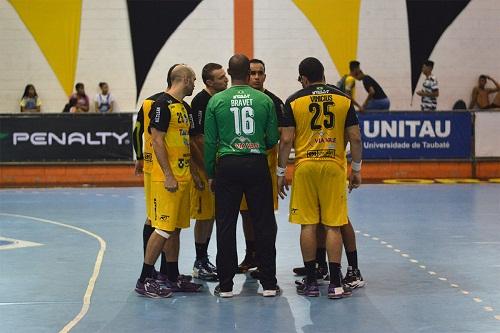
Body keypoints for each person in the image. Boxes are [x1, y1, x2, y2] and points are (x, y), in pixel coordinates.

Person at [278, 57, 362, 299]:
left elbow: (285, 141)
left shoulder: (294, 100)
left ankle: (312, 281)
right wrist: (356, 169)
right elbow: (355, 138)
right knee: (334, 224)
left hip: (305, 166)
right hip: (334, 165)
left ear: (304, 78)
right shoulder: (343, 99)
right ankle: (336, 283)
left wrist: (280, 173)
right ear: (323, 75)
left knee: (308, 224)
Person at [204, 54, 280, 298]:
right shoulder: (264, 100)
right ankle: (268, 283)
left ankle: (226, 285)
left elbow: (209, 141)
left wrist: (210, 172)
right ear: (249, 74)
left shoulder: (216, 101)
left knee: (226, 224)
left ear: (229, 72)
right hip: (257, 163)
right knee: (264, 224)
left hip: (228, 164)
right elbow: (271, 139)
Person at [135, 64, 203, 298]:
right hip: (167, 179)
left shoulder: (183, 107)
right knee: (162, 228)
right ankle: (144, 279)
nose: (195, 83)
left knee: (174, 229)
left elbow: (185, 142)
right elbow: (156, 141)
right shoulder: (161, 105)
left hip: (183, 176)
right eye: (193, 79)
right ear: (184, 79)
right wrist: (168, 174)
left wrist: (194, 172)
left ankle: (171, 277)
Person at [236, 59, 285, 277]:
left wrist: (281, 170)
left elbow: (283, 135)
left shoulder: (274, 101)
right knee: (245, 213)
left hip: (266, 165)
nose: (256, 77)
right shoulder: (239, 100)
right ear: (246, 76)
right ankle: (251, 254)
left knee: (265, 215)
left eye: (260, 73)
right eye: (252, 73)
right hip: (243, 165)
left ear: (265, 76)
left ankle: (267, 257)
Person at [189, 63, 228, 281]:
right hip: (206, 170)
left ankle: (204, 259)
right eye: (221, 77)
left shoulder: (218, 99)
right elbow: (197, 139)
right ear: (209, 82)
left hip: (216, 168)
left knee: (211, 215)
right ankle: (198, 261)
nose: (226, 80)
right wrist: (206, 169)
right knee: (204, 216)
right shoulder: (200, 102)